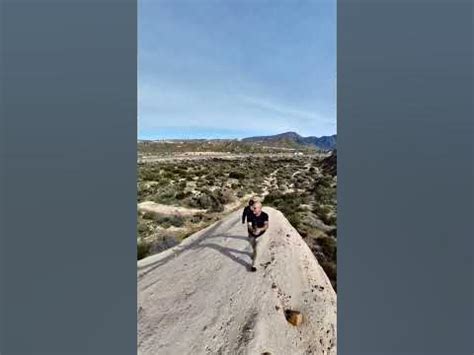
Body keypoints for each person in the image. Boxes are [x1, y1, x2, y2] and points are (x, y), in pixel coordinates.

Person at [246, 201, 269, 272]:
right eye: (252, 207)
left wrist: (260, 229)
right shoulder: (249, 215)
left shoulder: (265, 215)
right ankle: (254, 252)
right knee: (254, 247)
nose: (253, 209)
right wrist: (252, 230)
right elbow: (249, 225)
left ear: (260, 208)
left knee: (258, 248)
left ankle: (254, 265)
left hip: (261, 234)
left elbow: (266, 226)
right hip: (251, 234)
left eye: (254, 208)